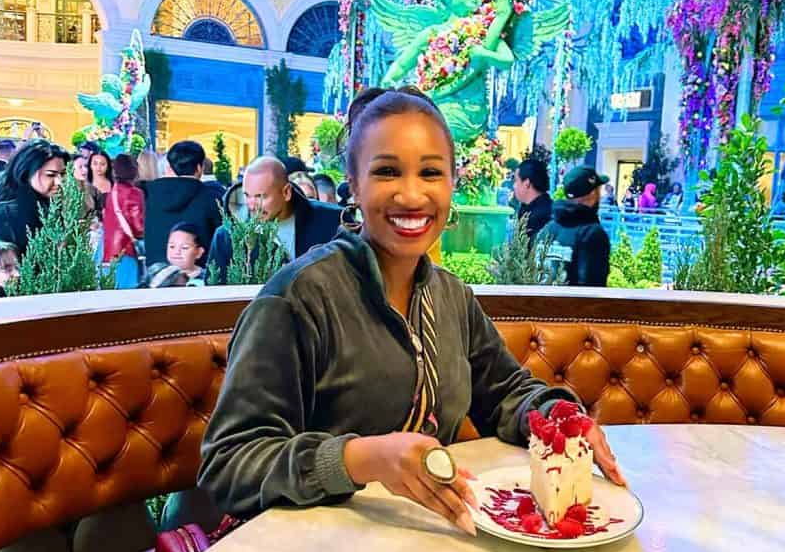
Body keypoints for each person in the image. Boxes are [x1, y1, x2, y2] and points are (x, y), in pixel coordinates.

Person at [199, 88, 624, 527]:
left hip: (427, 546)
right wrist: (363, 458)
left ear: (452, 185)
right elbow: (229, 463)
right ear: (355, 185)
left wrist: (559, 416)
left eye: (430, 173)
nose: (411, 195)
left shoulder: (451, 296)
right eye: (387, 172)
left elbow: (505, 392)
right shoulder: (298, 299)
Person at [206, 156, 340, 282]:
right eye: (247, 195)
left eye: (260, 197)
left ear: (286, 192)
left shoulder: (333, 221)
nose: (252, 206)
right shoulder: (226, 237)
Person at [143, 141, 225, 266]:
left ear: (170, 167)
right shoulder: (212, 197)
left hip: (157, 274)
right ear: (199, 168)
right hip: (197, 276)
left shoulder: (149, 194)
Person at [0, 140, 69, 255]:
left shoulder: (50, 204)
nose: (59, 182)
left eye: (63, 174)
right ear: (27, 172)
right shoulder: (8, 214)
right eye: (50, 175)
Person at [542, 165, 611, 288]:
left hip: (540, 304)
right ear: (594, 194)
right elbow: (592, 289)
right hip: (572, 305)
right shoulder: (592, 234)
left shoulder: (548, 228)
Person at [102, 153, 145, 289]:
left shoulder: (112, 193)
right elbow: (139, 227)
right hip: (127, 250)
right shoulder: (134, 193)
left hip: (109, 252)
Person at [146, 223, 207, 288]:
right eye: (172, 246)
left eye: (184, 247)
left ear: (199, 252)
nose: (177, 252)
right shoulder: (156, 271)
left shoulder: (209, 277)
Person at [512, 158, 552, 239]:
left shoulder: (541, 215)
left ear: (527, 183)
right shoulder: (527, 208)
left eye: (516, 181)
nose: (514, 186)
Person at [88, 150, 113, 220]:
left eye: (102, 164)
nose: (98, 167)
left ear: (108, 166)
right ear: (90, 165)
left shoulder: (115, 185)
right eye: (95, 163)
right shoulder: (85, 186)